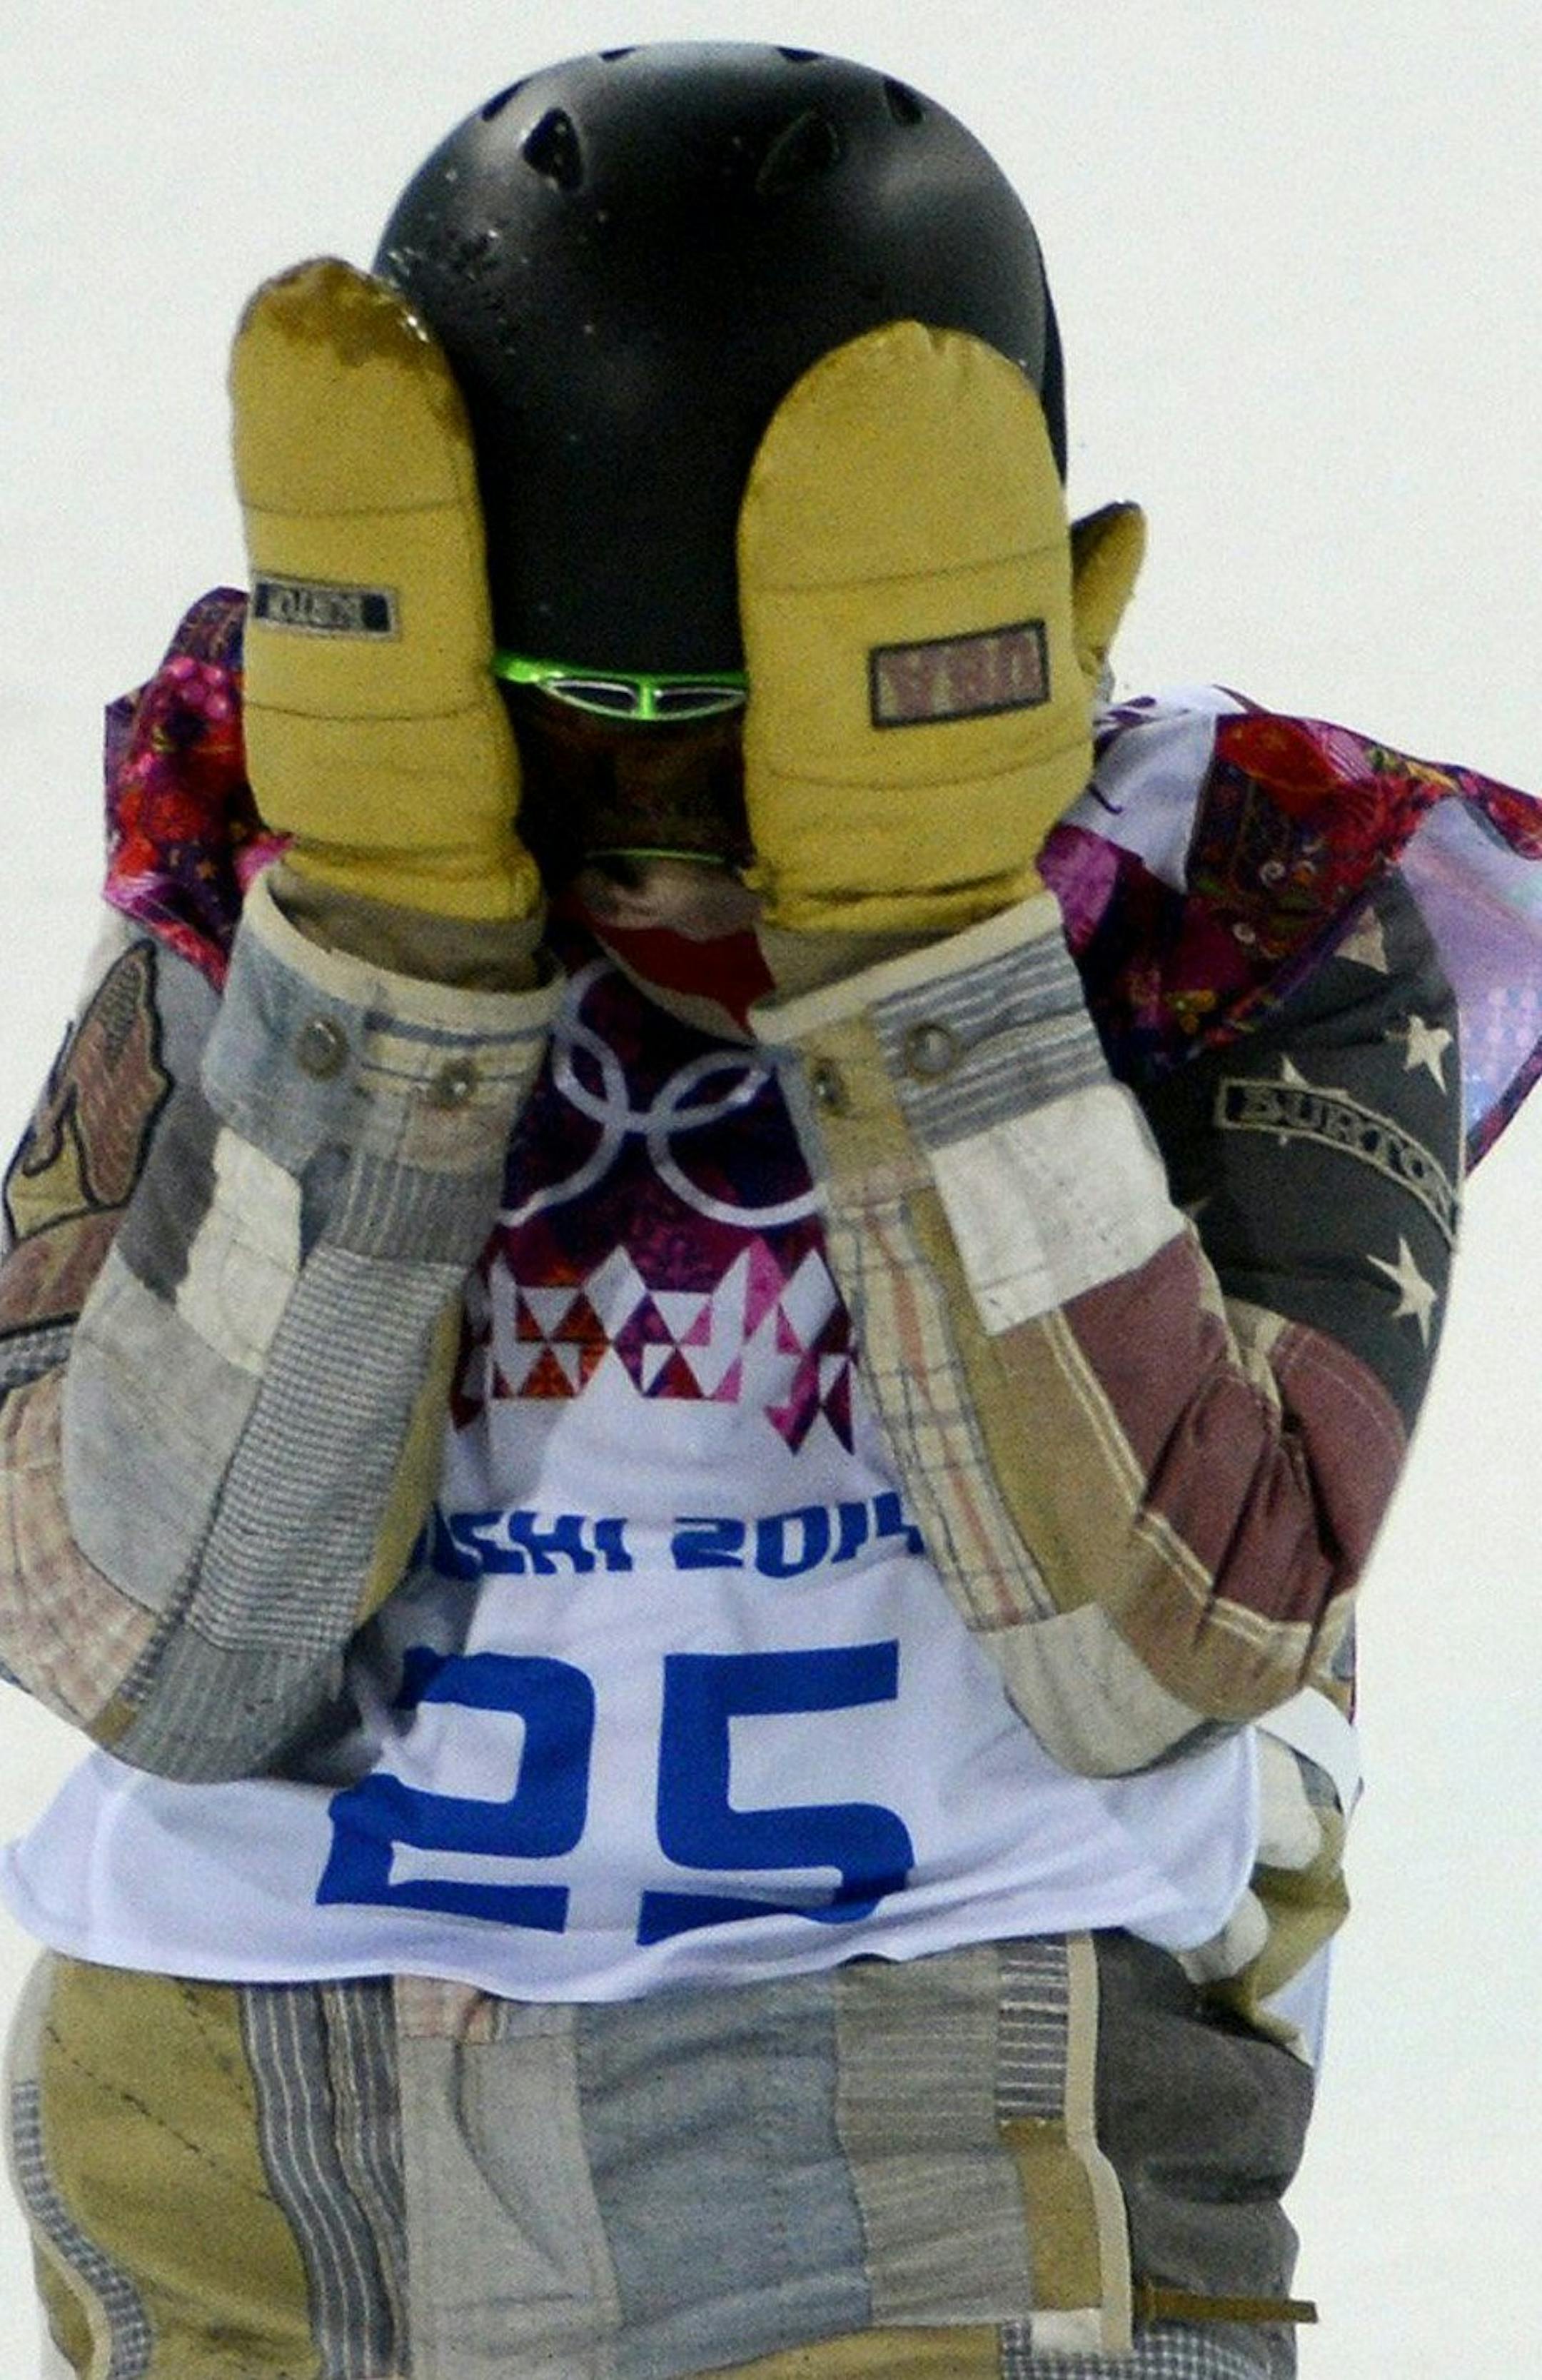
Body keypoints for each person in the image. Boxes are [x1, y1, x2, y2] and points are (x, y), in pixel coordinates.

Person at [1, 41, 1540, 2380]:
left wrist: (925, 936)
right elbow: (164, 1645)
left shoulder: (1242, 902)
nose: (667, 835)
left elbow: (1158, 1647)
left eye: (740, 724)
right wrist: (393, 950)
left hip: (953, 2094)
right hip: (264, 2133)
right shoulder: (275, 878)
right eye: (575, 723)